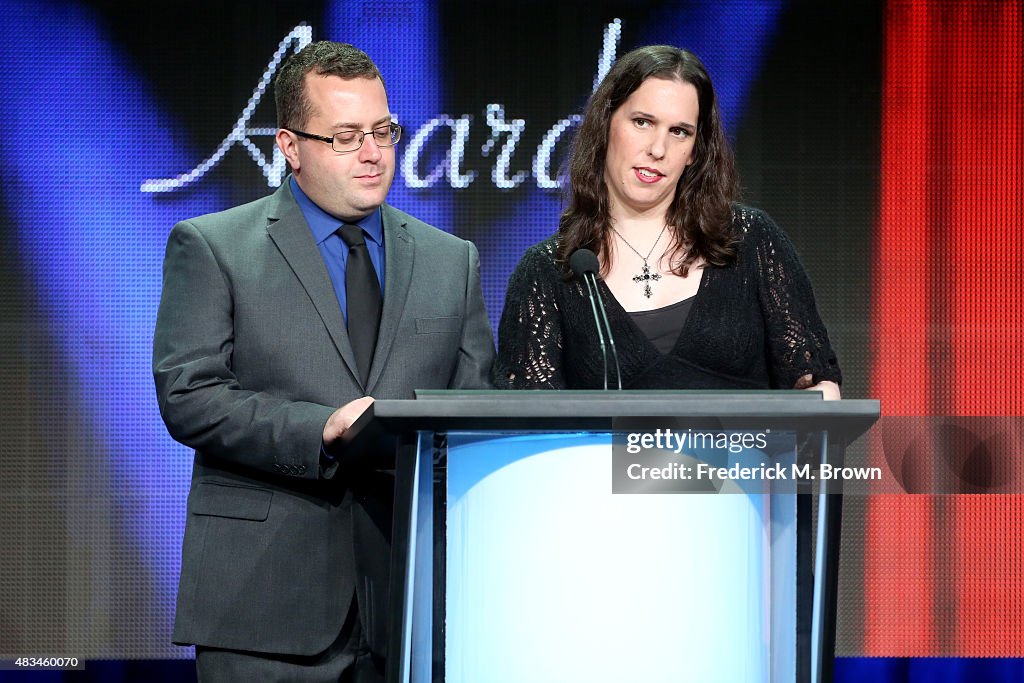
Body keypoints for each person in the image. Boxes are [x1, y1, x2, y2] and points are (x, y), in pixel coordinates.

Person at [153, 41, 494, 681]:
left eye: (383, 132)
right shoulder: (213, 247)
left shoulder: (452, 261)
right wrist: (321, 428)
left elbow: (474, 409)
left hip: (412, 606)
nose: (372, 153)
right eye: (345, 137)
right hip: (263, 606)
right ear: (289, 145)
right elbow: (190, 396)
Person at [493, 45, 841, 396]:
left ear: (695, 151)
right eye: (642, 122)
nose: (658, 149)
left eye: (679, 132)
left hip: (745, 450)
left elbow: (817, 388)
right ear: (605, 125)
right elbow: (528, 423)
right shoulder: (548, 271)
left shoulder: (750, 240)